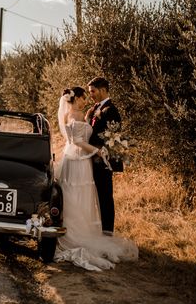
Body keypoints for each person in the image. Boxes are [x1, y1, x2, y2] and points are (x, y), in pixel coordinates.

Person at [54, 86, 138, 271]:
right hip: (76, 160)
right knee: (74, 195)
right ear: (76, 99)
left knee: (84, 195)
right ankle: (73, 235)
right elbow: (76, 141)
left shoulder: (84, 114)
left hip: (83, 161)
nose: (87, 100)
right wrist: (97, 151)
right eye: (84, 97)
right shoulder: (73, 116)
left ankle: (85, 231)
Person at [85, 76, 120, 235]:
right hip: (92, 157)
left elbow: (114, 136)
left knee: (105, 195)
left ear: (103, 90)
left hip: (102, 159)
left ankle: (107, 231)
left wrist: (103, 154)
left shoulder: (111, 110)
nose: (90, 94)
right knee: (95, 194)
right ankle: (96, 227)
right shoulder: (94, 109)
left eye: (93, 91)